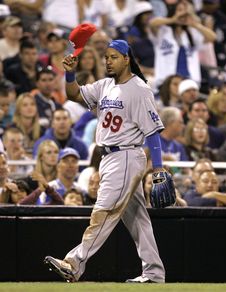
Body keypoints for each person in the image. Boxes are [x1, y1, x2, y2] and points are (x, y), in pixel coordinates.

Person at [44, 39, 166, 283]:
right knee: (137, 218)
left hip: (126, 154)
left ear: (126, 59)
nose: (108, 61)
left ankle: (74, 263)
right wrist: (70, 74)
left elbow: (152, 131)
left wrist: (159, 168)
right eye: (106, 57)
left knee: (104, 211)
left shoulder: (139, 89)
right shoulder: (105, 85)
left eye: (113, 57)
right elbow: (74, 94)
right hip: (109, 157)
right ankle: (154, 273)